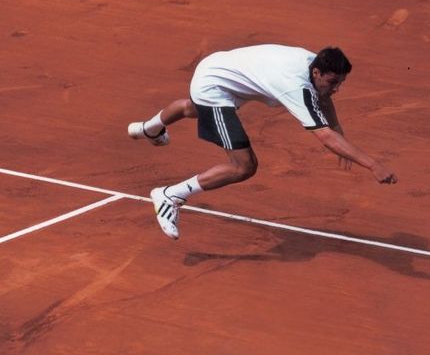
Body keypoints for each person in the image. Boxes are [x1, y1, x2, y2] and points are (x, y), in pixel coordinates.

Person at [128, 44, 398, 240]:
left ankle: (149, 129)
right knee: (244, 166)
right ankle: (170, 195)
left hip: (222, 68)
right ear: (316, 73)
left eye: (340, 82)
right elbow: (324, 135)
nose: (336, 87)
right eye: (332, 81)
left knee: (193, 109)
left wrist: (339, 129)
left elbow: (324, 100)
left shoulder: (311, 64)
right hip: (214, 86)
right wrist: (373, 164)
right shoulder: (295, 85)